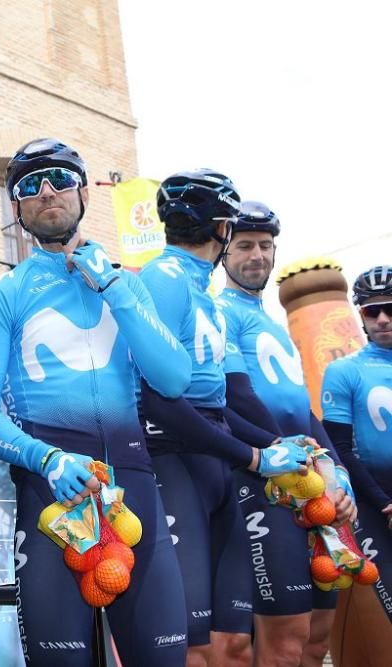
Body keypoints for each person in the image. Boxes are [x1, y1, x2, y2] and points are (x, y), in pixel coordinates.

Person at [0, 138, 192, 666]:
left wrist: (113, 287)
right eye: (29, 185)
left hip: (135, 490)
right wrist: (45, 459)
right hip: (53, 495)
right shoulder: (3, 294)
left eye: (60, 179)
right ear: (16, 207)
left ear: (84, 191)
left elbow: (174, 379)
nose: (47, 192)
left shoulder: (124, 283)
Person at [137, 170, 312, 667]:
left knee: (232, 644)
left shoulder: (204, 294)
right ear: (222, 228)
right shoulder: (164, 277)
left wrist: (286, 450)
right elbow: (157, 401)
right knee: (190, 648)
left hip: (217, 467)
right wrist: (255, 455)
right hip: (174, 463)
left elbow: (227, 403)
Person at [217, 201, 356, 667]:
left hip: (311, 478)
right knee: (284, 639)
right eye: (244, 246)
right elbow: (235, 399)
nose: (257, 255)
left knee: (319, 638)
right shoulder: (221, 313)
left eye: (265, 246)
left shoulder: (272, 323)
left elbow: (302, 408)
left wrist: (335, 470)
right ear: (222, 250)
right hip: (265, 482)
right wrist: (297, 458)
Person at [322, 265, 392, 625]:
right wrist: (384, 503)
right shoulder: (344, 371)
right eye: (371, 310)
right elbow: (338, 449)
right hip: (375, 501)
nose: (382, 319)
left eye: (390, 308)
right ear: (360, 315)